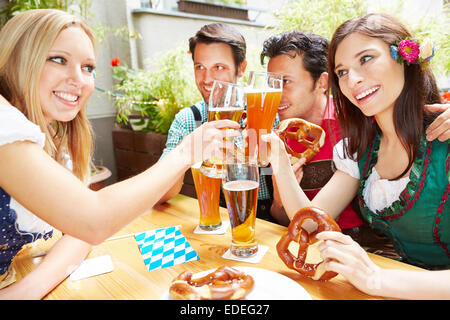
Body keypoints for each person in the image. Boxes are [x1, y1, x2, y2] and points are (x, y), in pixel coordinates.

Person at [0, 9, 239, 299]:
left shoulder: (51, 134)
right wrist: (185, 152)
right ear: (18, 58)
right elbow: (93, 220)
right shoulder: (5, 123)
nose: (79, 80)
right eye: (58, 59)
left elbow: (82, 230)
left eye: (88, 67)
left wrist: (26, 290)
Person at [262, 13, 450, 299]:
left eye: (365, 59)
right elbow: (310, 221)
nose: (354, 80)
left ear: (404, 58)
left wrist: (376, 279)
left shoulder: (445, 137)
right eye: (342, 72)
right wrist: (278, 159)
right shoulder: (360, 150)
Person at [157, 23, 277, 222]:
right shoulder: (189, 120)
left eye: (218, 67)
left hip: (268, 225)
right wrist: (186, 150)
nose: (207, 79)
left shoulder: (265, 113)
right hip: (217, 227)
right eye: (200, 67)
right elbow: (159, 194)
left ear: (241, 68)